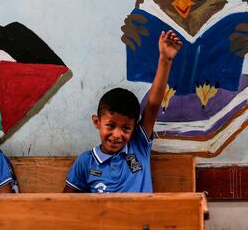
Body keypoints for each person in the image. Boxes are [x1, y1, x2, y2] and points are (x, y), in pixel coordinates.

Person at [64, 30, 182, 193]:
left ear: (134, 128)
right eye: (111, 126)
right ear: (97, 122)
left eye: (126, 128)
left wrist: (165, 60)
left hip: (142, 219)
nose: (117, 135)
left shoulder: (138, 145)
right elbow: (66, 204)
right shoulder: (86, 162)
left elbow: (153, 104)